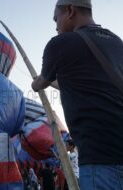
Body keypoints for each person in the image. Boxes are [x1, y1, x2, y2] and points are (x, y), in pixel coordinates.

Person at [31, 0, 123, 189]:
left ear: (70, 10)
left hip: (99, 159)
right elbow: (87, 83)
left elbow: (40, 83)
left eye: (56, 19)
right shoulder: (117, 42)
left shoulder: (59, 44)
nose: (55, 26)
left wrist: (36, 82)